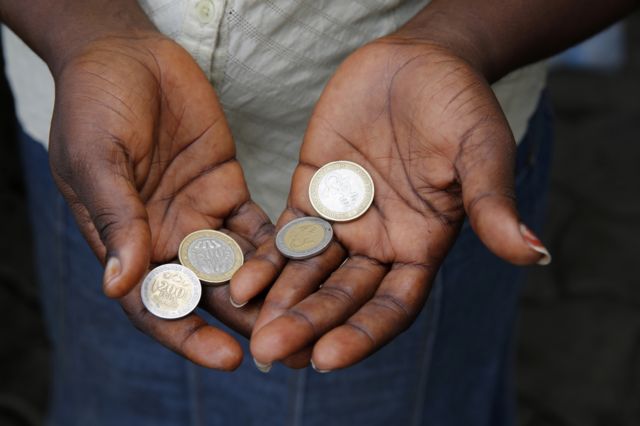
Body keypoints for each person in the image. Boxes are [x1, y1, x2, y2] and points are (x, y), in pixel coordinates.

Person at [1, 0, 636, 424]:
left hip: (416, 183)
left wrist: (464, 40)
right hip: (104, 146)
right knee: (111, 401)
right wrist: (82, 31)